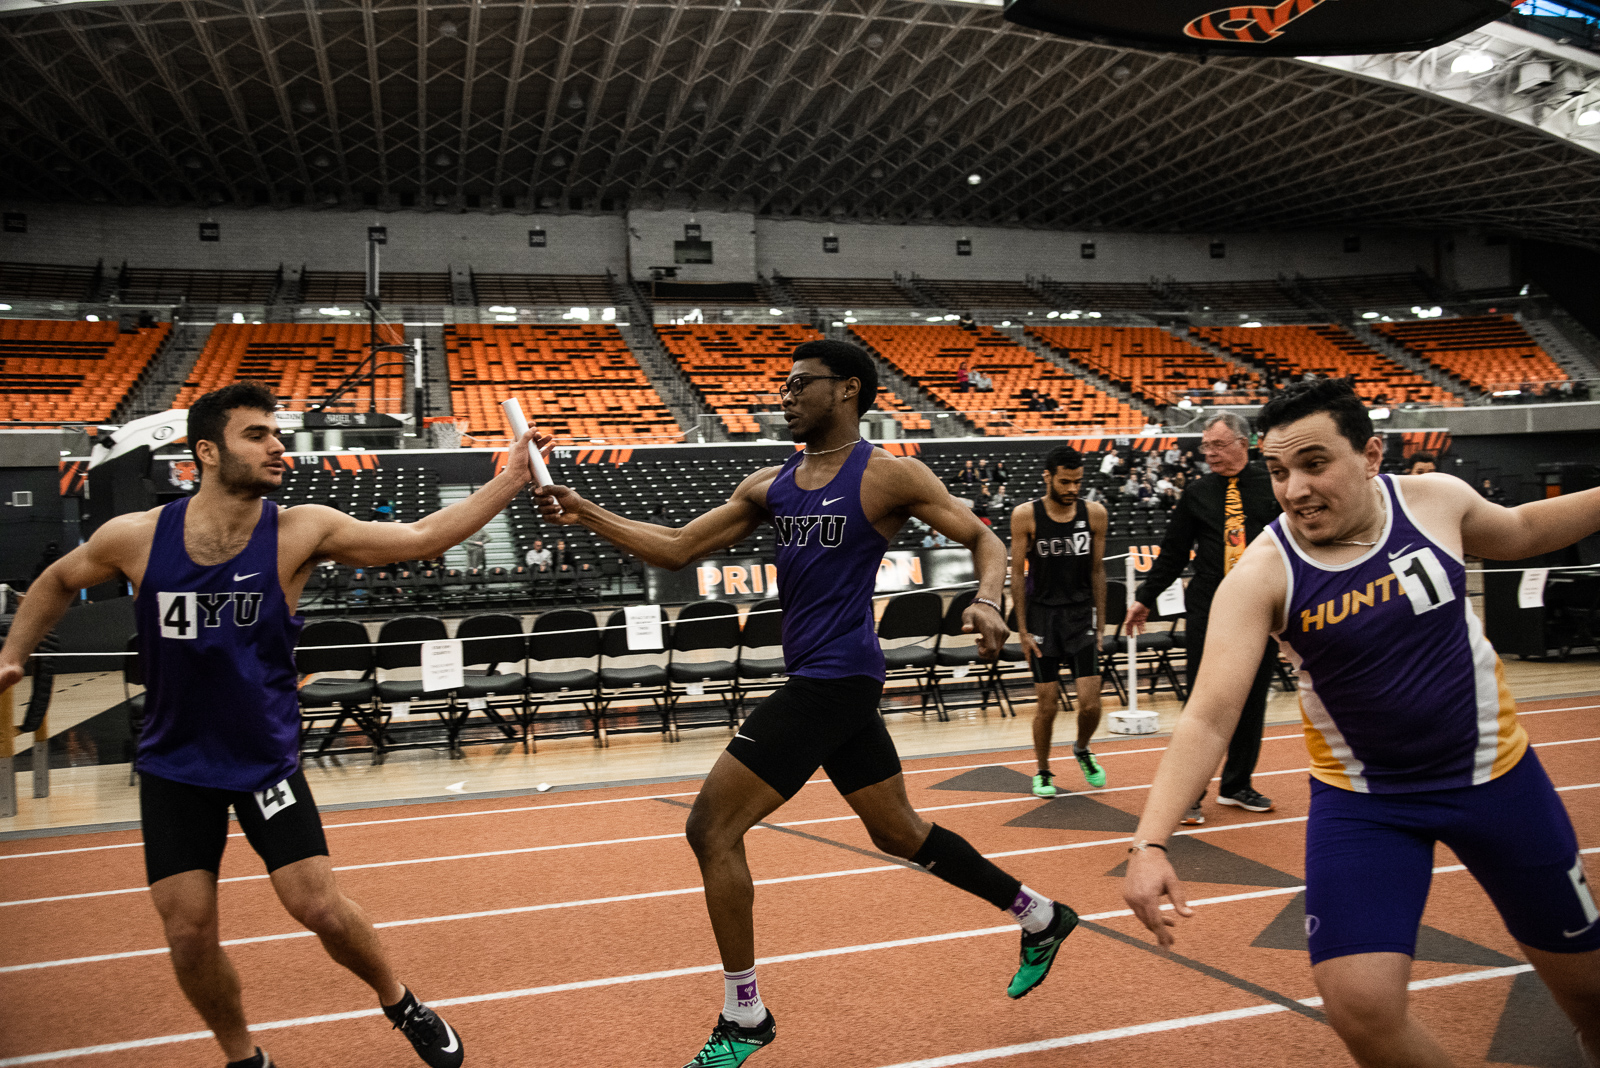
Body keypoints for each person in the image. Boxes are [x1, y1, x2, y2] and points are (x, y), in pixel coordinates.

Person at [534, 339, 1079, 1067]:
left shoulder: (889, 476)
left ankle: (744, 1014)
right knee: (898, 832)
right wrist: (585, 510)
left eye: (798, 384)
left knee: (710, 829)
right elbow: (673, 550)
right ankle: (1039, 915)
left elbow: (983, 538)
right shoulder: (772, 484)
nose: (783, 396)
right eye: (782, 385)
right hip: (832, 682)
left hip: (836, 680)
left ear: (847, 389)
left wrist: (986, 600)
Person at [0, 381, 553, 1068]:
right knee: (188, 933)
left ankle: (398, 999)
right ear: (207, 451)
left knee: (316, 907)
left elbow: (419, 537)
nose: (276, 446)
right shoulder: (137, 537)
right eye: (256, 435)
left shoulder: (300, 530)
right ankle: (243, 1059)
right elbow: (55, 581)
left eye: (276, 433)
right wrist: (13, 654)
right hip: (174, 763)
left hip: (265, 758)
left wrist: (510, 476)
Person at [1122, 377, 1600, 1068]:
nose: (1294, 490)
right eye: (1279, 472)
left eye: (1314, 464)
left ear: (1371, 455)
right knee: (1360, 1006)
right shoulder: (1263, 572)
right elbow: (1208, 716)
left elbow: (1521, 530)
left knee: (1589, 995)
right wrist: (1149, 843)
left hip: (1498, 783)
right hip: (1367, 807)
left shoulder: (1432, 500)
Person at [1126, 411, 1281, 825]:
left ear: (1244, 445)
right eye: (1205, 446)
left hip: (1259, 605)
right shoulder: (1196, 493)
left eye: (1217, 445)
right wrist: (1145, 598)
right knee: (1201, 699)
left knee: (1252, 696)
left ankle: (1236, 784)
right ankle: (1191, 792)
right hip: (1209, 603)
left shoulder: (1274, 486)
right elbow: (1174, 552)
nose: (1209, 453)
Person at [1009, 445, 1108, 798]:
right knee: (1047, 705)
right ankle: (1043, 770)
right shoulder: (1025, 516)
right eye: (1065, 482)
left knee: (1092, 703)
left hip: (1080, 615)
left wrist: (1101, 623)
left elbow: (1097, 570)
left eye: (1078, 482)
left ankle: (1082, 748)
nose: (1072, 489)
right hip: (1042, 618)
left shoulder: (1095, 514)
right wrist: (1021, 629)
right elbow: (1018, 577)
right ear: (1048, 477)